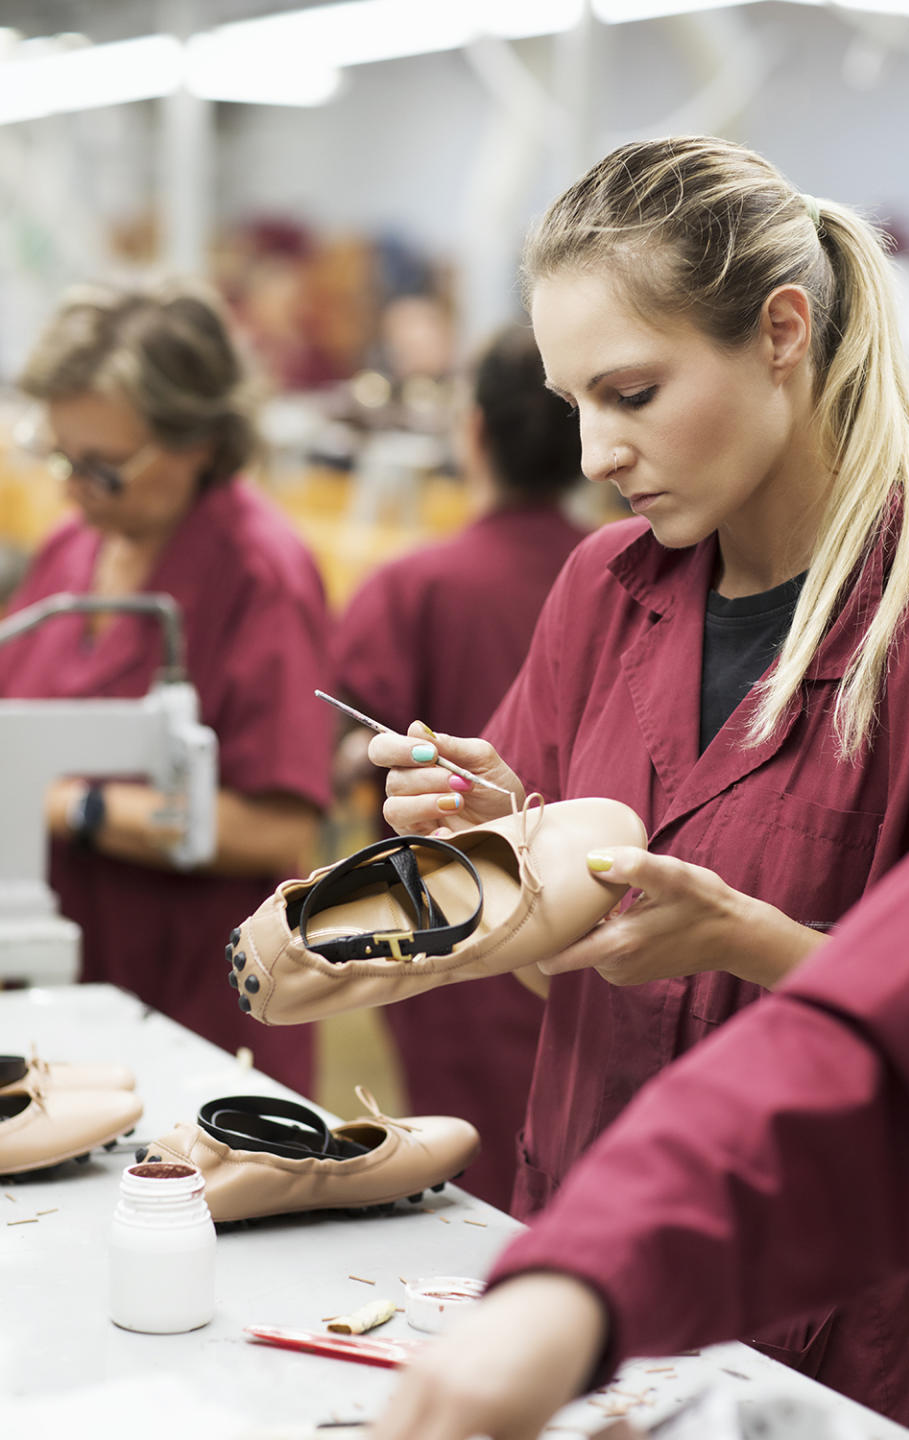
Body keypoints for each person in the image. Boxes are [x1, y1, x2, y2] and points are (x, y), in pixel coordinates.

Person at [368, 135, 909, 1426]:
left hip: (816, 1334)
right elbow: (545, 965)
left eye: (631, 394)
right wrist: (500, 851)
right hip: (579, 1256)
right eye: (574, 402)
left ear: (782, 332)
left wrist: (745, 940)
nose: (593, 453)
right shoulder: (603, 590)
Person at [369, 795, 909, 1440]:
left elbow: (899, 1044)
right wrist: (578, 1281)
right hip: (626, 1212)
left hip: (851, 1324)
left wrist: (747, 935)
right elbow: (866, 1059)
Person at [0, 280, 334, 1094]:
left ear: (196, 441)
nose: (74, 489)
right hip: (63, 978)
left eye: (103, 469)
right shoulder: (76, 548)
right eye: (62, 460)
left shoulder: (259, 576)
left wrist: (68, 803)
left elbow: (278, 827)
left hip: (196, 1009)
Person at [333, 323, 586, 1210]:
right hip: (603, 926)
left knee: (473, 1191)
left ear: (470, 433)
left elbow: (338, 755)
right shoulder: (630, 583)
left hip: (454, 935)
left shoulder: (418, 588)